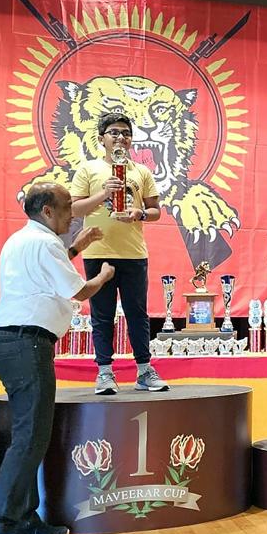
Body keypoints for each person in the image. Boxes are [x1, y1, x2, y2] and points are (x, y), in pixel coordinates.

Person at [0, 182, 113, 534]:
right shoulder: (45, 243)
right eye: (67, 208)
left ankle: (24, 519)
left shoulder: (23, 240)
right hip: (27, 344)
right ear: (47, 211)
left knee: (29, 436)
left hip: (12, 342)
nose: (73, 215)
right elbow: (78, 290)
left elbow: (52, 269)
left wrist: (77, 247)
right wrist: (104, 276)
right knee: (30, 438)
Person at [68, 112, 166, 395]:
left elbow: (156, 211)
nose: (120, 137)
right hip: (98, 252)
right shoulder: (89, 169)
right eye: (114, 132)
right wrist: (103, 194)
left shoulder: (141, 172)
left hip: (133, 253)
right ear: (102, 139)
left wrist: (140, 214)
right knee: (102, 315)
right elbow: (74, 208)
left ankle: (144, 370)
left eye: (125, 133)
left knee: (137, 314)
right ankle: (104, 372)